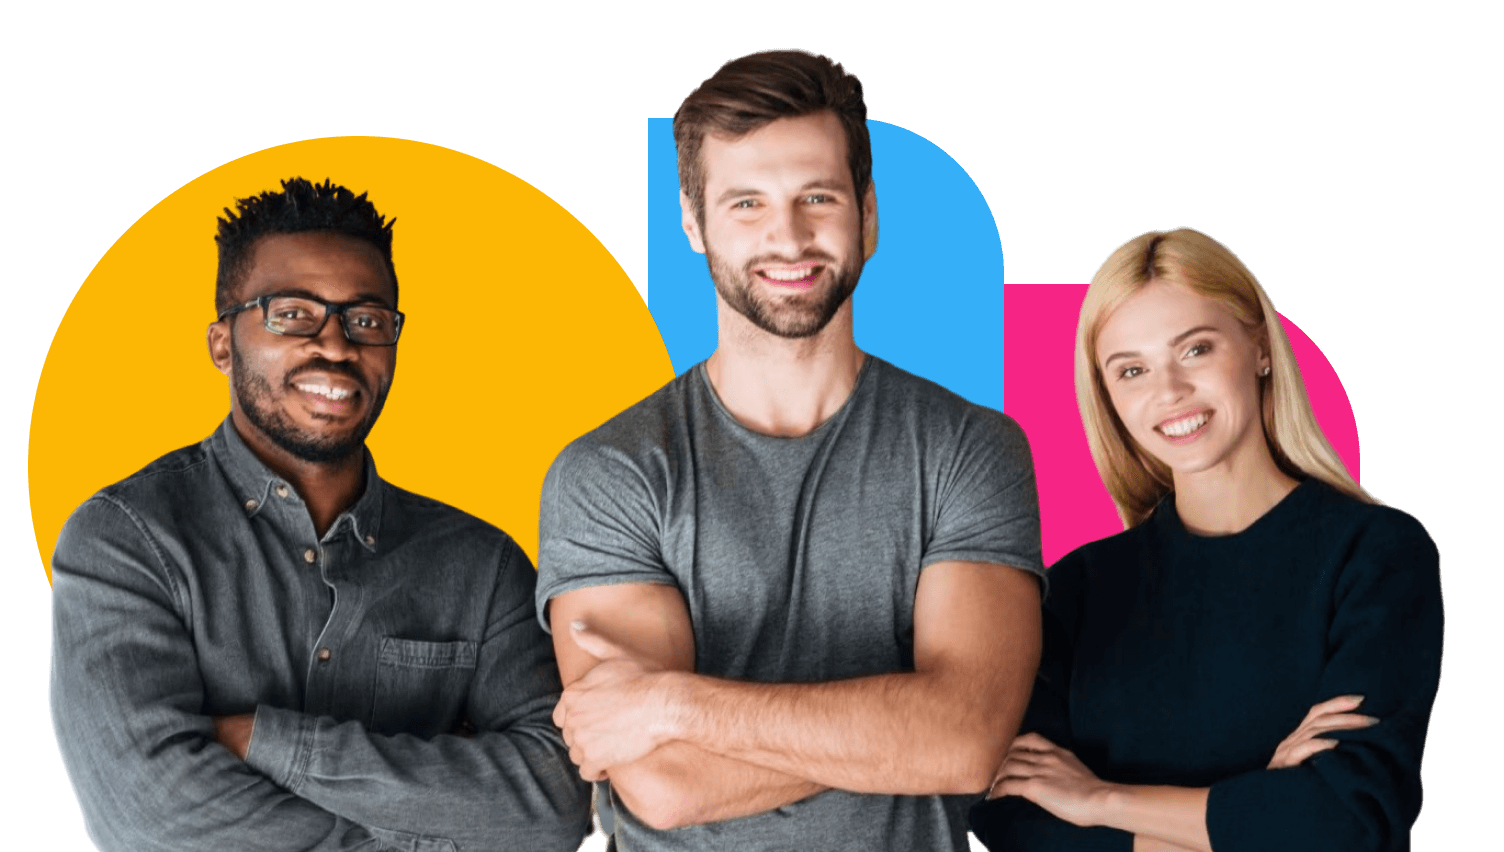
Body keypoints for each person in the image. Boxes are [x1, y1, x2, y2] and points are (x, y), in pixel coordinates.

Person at [537, 49, 1045, 850]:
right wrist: (901, 721)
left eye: (818, 196)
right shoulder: (610, 473)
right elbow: (667, 784)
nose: (789, 236)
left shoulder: (969, 449)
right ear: (693, 223)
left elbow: (965, 740)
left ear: (867, 215)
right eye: (746, 203)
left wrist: (675, 704)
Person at [49, 178, 593, 851]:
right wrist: (437, 826)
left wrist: (264, 741)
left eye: (367, 320)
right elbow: (149, 821)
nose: (336, 347)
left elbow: (555, 802)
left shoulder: (482, 566)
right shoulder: (127, 540)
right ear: (223, 344)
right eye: (294, 314)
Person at [968, 227, 1442, 851]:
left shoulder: (1376, 554)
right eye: (1131, 370)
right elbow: (1014, 818)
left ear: (1259, 347)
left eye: (1195, 350)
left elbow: (1344, 821)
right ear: (1108, 397)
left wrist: (1101, 799)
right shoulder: (1078, 590)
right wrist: (1254, 813)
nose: (1169, 391)